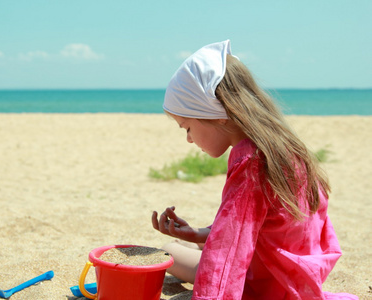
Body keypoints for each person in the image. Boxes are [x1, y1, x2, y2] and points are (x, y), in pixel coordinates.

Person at [151, 40, 358, 299]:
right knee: (177, 249)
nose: (189, 139)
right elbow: (258, 226)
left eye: (187, 127)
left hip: (269, 284)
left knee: (168, 250)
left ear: (216, 113)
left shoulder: (250, 162)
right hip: (299, 274)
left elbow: (226, 254)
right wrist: (200, 234)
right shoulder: (282, 147)